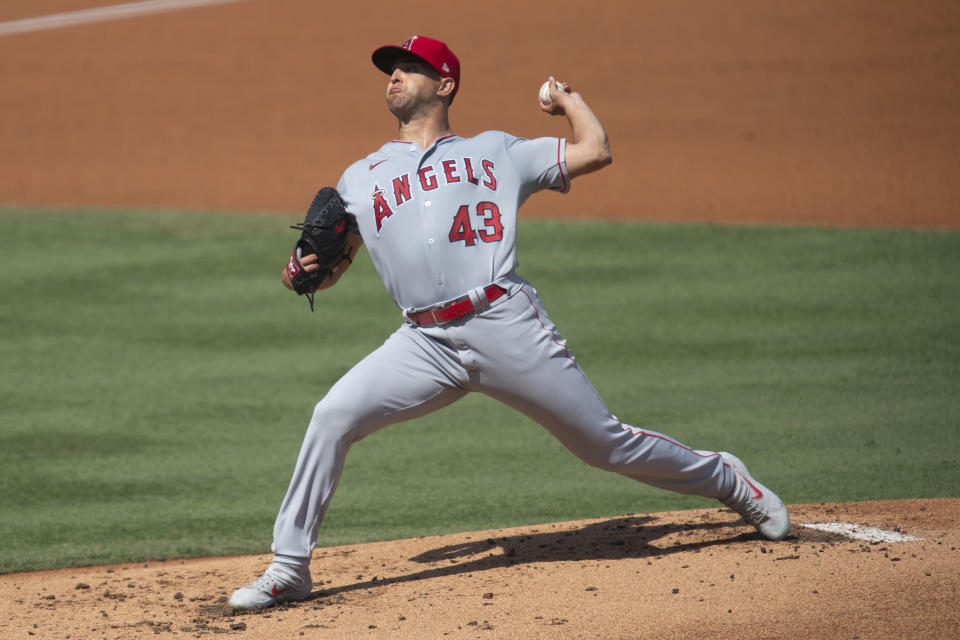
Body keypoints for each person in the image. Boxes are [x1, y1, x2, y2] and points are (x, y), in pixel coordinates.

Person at [228, 35, 789, 611]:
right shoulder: (359, 178)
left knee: (603, 445)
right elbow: (331, 269)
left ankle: (726, 480)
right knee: (332, 416)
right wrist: (301, 271)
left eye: (410, 69)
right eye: (390, 71)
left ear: (445, 85)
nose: (394, 77)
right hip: (424, 343)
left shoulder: (497, 150)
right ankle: (290, 567)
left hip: (504, 322)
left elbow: (594, 150)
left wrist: (566, 99)